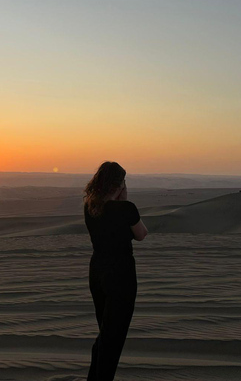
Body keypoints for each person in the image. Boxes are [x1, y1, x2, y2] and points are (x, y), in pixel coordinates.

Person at [83, 161, 148, 380]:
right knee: (114, 337)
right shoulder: (126, 209)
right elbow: (141, 234)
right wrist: (125, 200)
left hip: (97, 273)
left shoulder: (90, 207)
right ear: (118, 185)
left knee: (105, 333)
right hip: (121, 275)